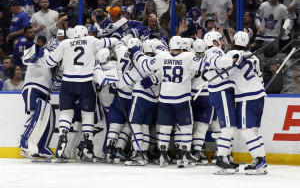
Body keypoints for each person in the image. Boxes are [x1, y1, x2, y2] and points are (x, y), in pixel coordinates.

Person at [46, 25, 117, 162]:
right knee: (88, 114)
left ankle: (62, 137)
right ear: (85, 33)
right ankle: (87, 143)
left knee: (66, 113)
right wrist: (119, 40)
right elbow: (109, 41)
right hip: (85, 82)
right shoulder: (91, 40)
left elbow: (50, 62)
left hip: (67, 83)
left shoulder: (65, 43)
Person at [129, 36, 203, 168]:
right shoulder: (189, 56)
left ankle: (163, 155)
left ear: (170, 46)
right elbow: (205, 64)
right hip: (182, 99)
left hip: (165, 99)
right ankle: (185, 155)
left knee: (164, 128)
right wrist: (230, 62)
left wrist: (136, 52)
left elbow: (145, 64)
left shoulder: (162, 56)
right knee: (186, 127)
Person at [229, 31, 267, 175]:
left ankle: (259, 159)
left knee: (246, 130)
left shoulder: (233, 55)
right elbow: (260, 78)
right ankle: (261, 162)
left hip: (247, 96)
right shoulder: (255, 58)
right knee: (254, 130)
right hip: (260, 95)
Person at [202, 31, 239, 174]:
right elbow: (218, 62)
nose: (221, 42)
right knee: (228, 127)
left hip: (220, 92)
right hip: (221, 92)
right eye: (219, 40)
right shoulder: (213, 50)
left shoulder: (214, 51)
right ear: (214, 41)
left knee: (229, 127)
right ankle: (222, 158)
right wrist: (233, 61)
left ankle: (226, 157)